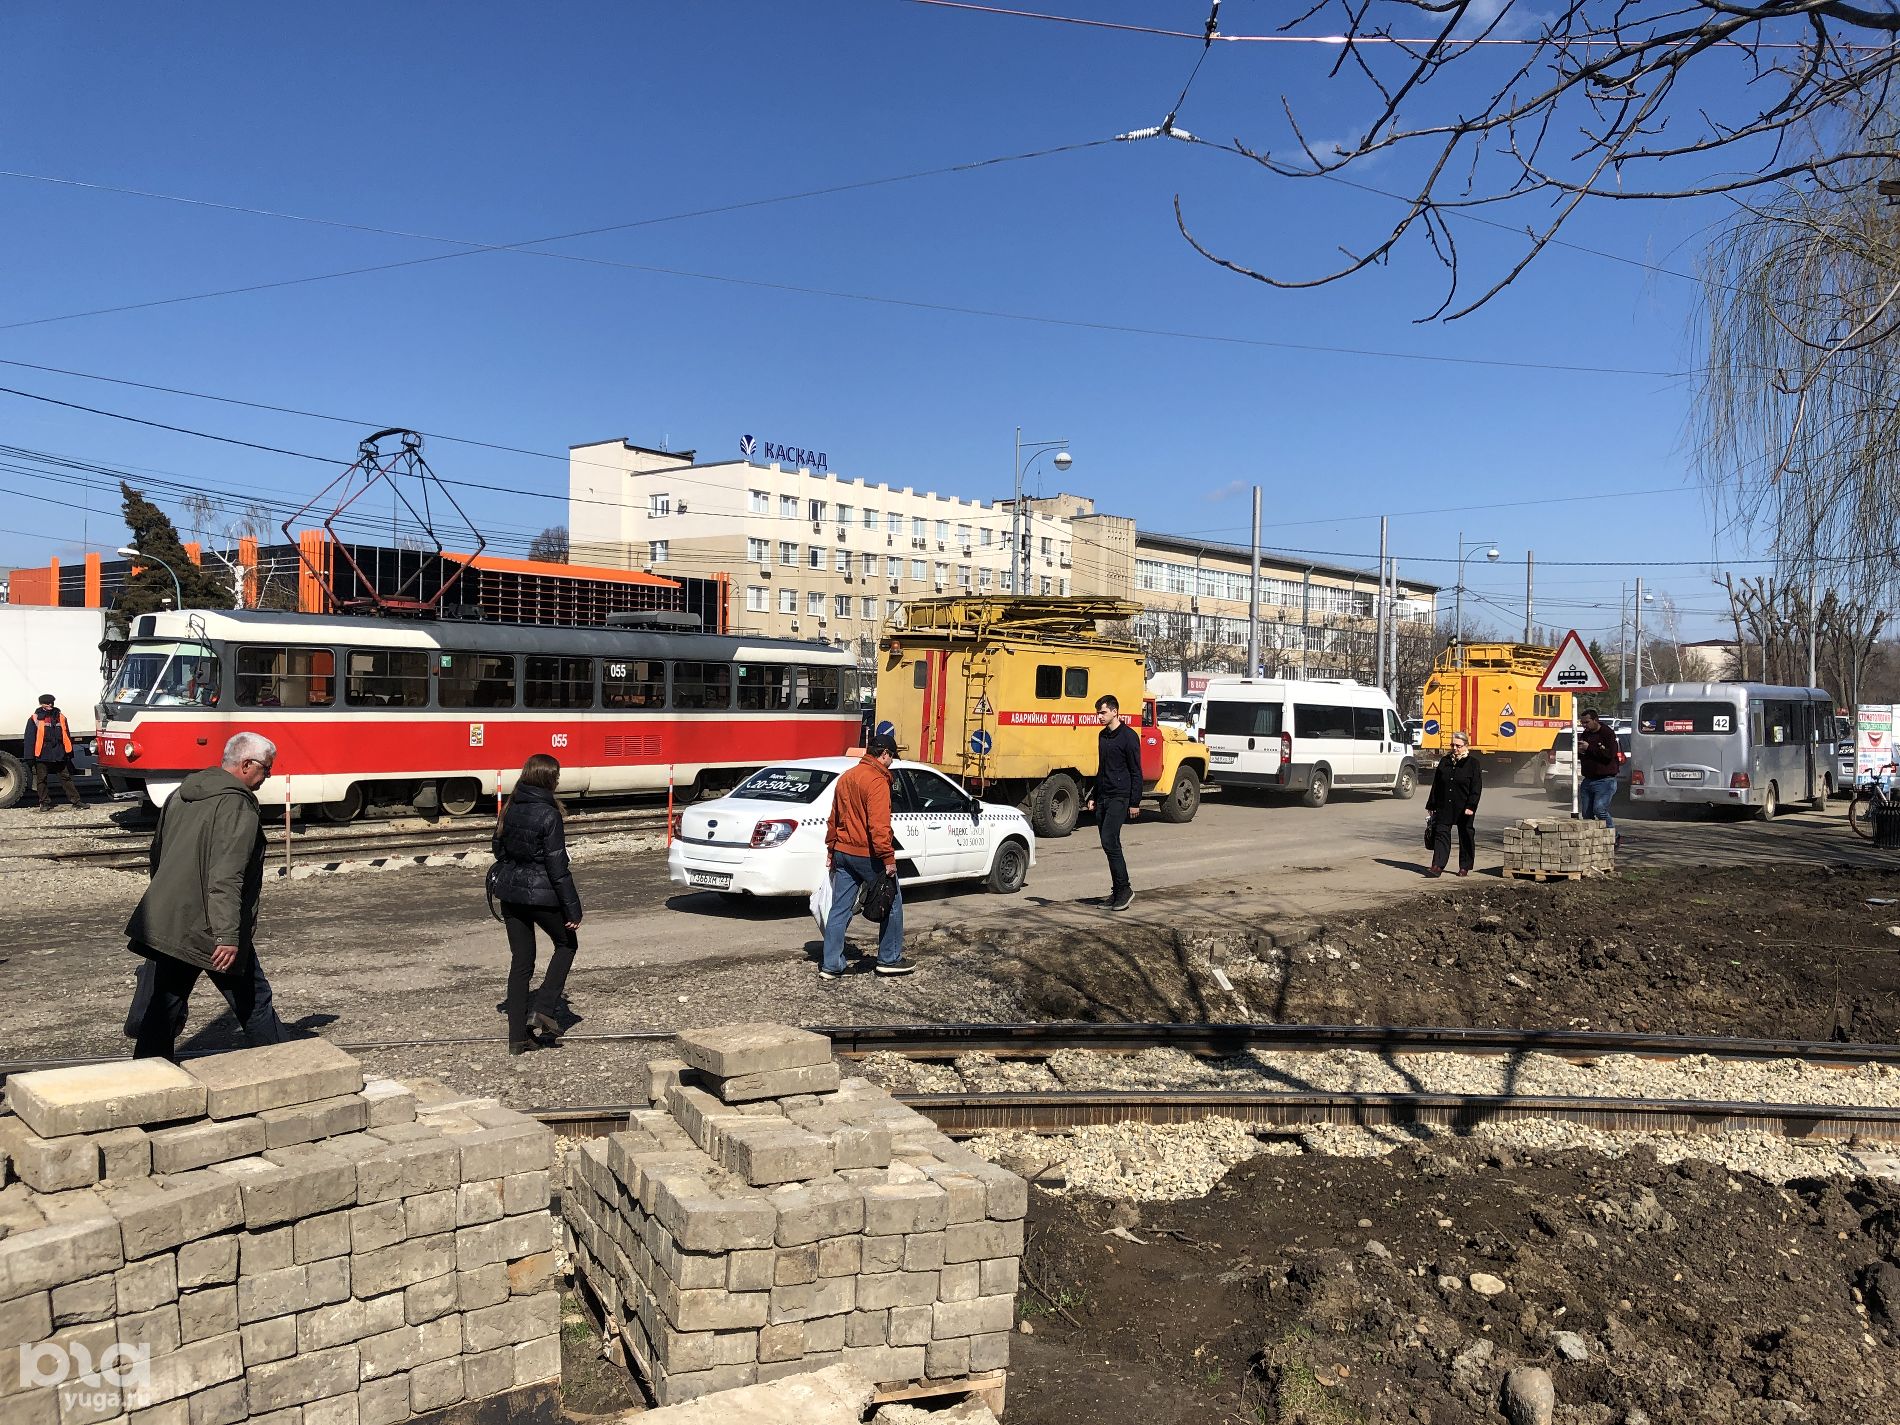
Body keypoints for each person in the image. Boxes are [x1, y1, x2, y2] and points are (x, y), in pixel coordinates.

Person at [125, 732, 287, 1060]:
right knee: (254, 1001)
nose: (266, 777)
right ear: (247, 765)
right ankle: (286, 1071)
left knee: (165, 1004)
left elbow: (157, 854)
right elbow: (227, 875)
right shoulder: (236, 805)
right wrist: (228, 936)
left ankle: (146, 1074)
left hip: (172, 920)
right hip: (212, 927)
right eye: (266, 770)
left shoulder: (181, 794)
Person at [491, 754, 584, 1055]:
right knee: (566, 943)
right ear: (548, 779)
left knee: (521, 963)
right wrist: (573, 909)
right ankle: (543, 1009)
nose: (558, 780)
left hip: (510, 894)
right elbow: (558, 868)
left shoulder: (510, 806)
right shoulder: (549, 814)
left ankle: (517, 1038)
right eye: (556, 776)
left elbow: (498, 850)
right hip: (541, 896)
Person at [820, 731, 914, 978]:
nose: (891, 762)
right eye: (891, 757)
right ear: (884, 754)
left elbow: (834, 818)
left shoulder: (846, 777)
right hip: (868, 855)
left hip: (843, 852)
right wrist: (888, 858)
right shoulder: (877, 781)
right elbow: (879, 826)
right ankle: (889, 959)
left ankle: (831, 965)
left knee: (839, 909)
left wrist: (831, 849)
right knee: (891, 903)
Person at [1086, 694, 1144, 911]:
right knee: (1109, 843)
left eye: (1102, 712)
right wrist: (1093, 795)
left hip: (1120, 796)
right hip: (1103, 796)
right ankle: (1118, 891)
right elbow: (1102, 768)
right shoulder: (1103, 736)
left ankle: (1125, 889)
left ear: (1114, 711)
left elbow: (1136, 771)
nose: (1099, 716)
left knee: (1110, 840)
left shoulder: (1129, 737)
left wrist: (1135, 802)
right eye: (1098, 713)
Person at [1425, 729, 1483, 877]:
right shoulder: (1445, 761)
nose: (1455, 748)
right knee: (1441, 833)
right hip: (1444, 805)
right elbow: (1436, 784)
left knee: (1465, 834)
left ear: (1466, 746)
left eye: (1458, 746)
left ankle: (1465, 866)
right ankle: (1437, 866)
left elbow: (1476, 788)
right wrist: (1431, 804)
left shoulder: (1473, 764)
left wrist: (1471, 806)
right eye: (1452, 745)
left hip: (1464, 806)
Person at [24, 693, 84, 812]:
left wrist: (69, 753)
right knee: (42, 779)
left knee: (66, 778)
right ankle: (44, 803)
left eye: (51, 702)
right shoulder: (34, 718)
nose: (50, 705)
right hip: (42, 754)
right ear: (41, 704)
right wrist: (29, 757)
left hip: (59, 753)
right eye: (47, 703)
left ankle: (76, 802)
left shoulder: (60, 717)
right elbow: (29, 739)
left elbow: (66, 735)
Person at [1576, 708, 1622, 843]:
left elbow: (1609, 756)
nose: (1584, 725)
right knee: (1587, 813)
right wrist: (1580, 751)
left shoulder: (1607, 733)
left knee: (1599, 809)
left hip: (1605, 780)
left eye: (1587, 722)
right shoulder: (1585, 734)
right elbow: (1582, 755)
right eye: (1582, 723)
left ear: (1595, 720)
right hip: (1588, 779)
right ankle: (1592, 840)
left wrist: (1589, 748)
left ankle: (1613, 835)